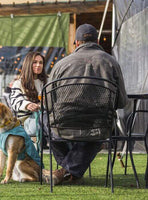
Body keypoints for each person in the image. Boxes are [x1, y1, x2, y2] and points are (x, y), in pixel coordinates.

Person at [47, 23, 128, 185]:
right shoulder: (111, 62)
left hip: (62, 126)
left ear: (76, 43)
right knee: (97, 133)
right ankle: (71, 170)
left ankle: (64, 171)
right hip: (98, 127)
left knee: (43, 121)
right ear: (97, 40)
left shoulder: (61, 65)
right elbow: (121, 102)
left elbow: (49, 105)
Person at [10, 51, 48, 148]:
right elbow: (14, 101)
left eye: (41, 62)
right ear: (28, 64)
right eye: (35, 62)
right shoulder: (19, 83)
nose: (38, 65)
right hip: (27, 121)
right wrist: (27, 105)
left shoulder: (48, 81)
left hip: (45, 118)